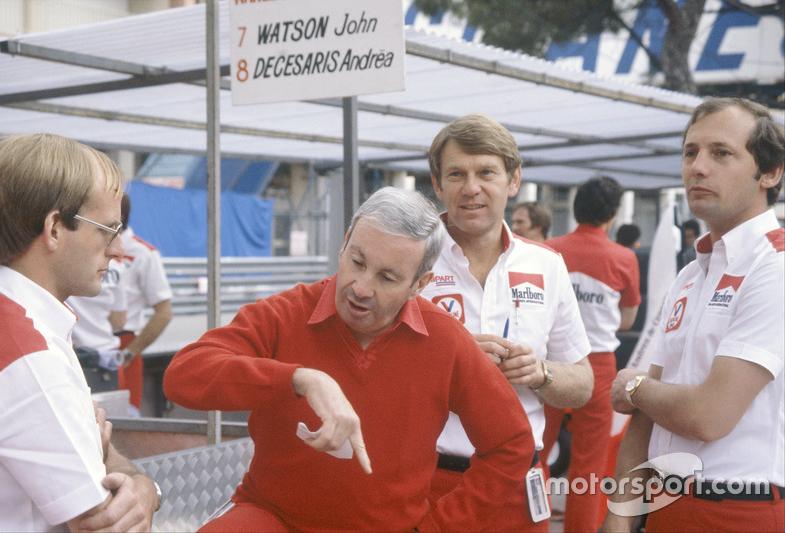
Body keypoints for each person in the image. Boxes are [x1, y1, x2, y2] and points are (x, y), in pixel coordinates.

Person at [163, 186, 536, 532]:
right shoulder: (284, 314)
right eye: (357, 261)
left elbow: (511, 442)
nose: (361, 288)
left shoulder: (445, 341)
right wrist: (298, 379)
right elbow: (183, 375)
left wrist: (439, 528)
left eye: (387, 278)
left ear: (419, 285)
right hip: (272, 516)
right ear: (344, 245)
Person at [604, 98, 784, 532]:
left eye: (721, 153)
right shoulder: (691, 272)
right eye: (690, 152)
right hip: (669, 504)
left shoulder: (775, 266)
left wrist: (635, 385)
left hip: (740, 509)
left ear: (771, 172)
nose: (698, 167)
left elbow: (709, 415)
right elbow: (647, 413)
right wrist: (618, 517)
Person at [420, 113, 593, 532]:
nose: (471, 187)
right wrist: (448, 360)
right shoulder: (408, 258)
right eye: (456, 174)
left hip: (518, 485)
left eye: (486, 172)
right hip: (426, 480)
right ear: (438, 184)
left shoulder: (546, 265)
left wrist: (540, 373)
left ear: (513, 181)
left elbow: (584, 383)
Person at [0, 133, 160, 531]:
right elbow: (107, 524)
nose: (117, 250)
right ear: (54, 229)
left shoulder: (4, 318)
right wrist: (144, 487)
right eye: (107, 230)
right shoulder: (30, 361)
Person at [540, 175, 641, 533]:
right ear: (612, 216)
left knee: (535, 451)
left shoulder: (548, 249)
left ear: (574, 207)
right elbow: (628, 318)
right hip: (598, 364)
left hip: (549, 362)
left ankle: (525, 521)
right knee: (590, 463)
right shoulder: (624, 256)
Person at [117, 192, 173, 416]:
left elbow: (164, 312)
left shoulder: (143, 253)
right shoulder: (83, 245)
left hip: (123, 346)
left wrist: (130, 352)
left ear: (119, 215)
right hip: (82, 345)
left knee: (123, 429)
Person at [68, 258, 128, 393]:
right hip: (108, 358)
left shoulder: (59, 258)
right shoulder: (116, 264)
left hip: (73, 359)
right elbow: (119, 320)